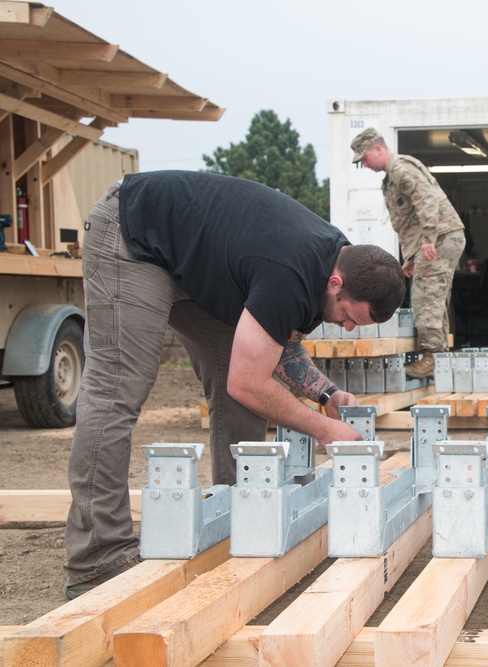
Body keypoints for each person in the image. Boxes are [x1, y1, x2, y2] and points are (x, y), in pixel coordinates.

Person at [64, 171, 406, 599]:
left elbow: (278, 348)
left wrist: (327, 395)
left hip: (186, 257)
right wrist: (324, 430)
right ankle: (98, 555)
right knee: (119, 390)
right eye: (349, 316)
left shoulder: (331, 268)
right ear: (336, 283)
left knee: (245, 389)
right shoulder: (292, 272)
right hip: (134, 237)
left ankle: (238, 515)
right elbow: (248, 383)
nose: (349, 328)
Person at [351, 128, 465, 379]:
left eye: (365, 159)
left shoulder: (401, 170)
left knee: (426, 295)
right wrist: (413, 256)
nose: (365, 165)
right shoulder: (392, 177)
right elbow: (409, 218)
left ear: (378, 149)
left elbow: (427, 201)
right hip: (440, 237)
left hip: (442, 236)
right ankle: (438, 358)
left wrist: (429, 239)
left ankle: (433, 356)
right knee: (432, 294)